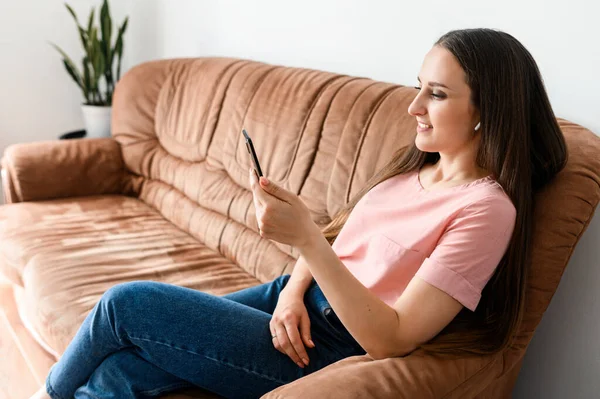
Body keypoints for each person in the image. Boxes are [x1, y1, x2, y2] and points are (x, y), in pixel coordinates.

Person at [33, 28, 567, 399]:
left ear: (487, 111)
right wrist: (290, 293)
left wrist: (307, 241)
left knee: (125, 305)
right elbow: (339, 240)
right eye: (417, 87)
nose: (414, 107)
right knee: (123, 365)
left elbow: (393, 338)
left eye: (437, 94)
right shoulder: (412, 169)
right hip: (291, 299)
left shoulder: (486, 210)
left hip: (334, 342)